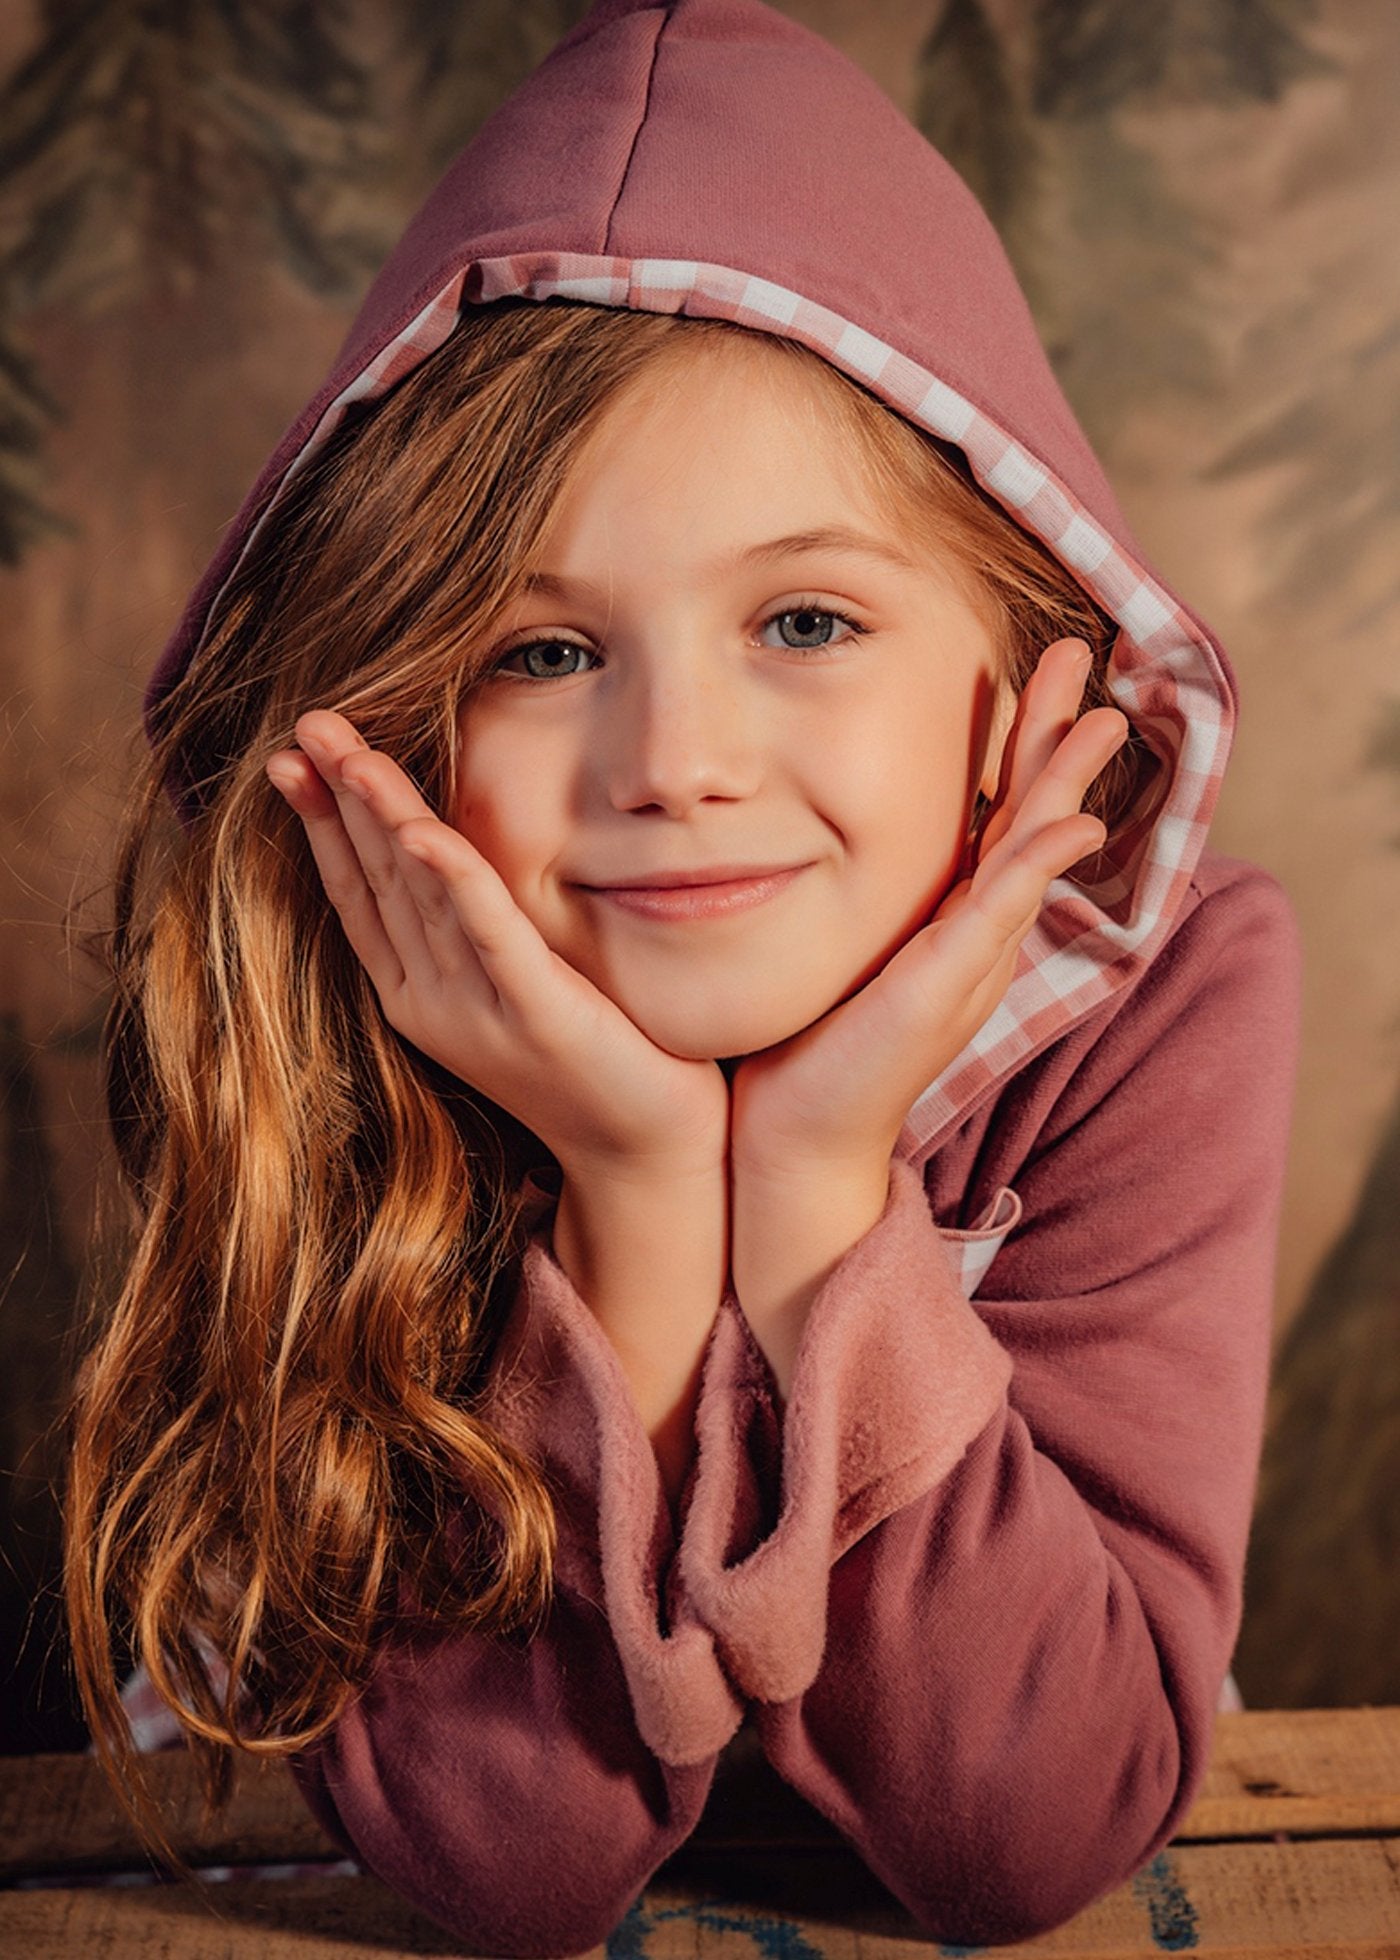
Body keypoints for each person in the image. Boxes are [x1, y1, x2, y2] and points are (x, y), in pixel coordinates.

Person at [62, 0, 1300, 1951]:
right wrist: (637, 1201)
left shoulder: (1166, 996)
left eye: (804, 615)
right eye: (542, 652)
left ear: (1030, 682)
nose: (676, 761)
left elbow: (1034, 1825)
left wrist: (815, 1198)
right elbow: (495, 1868)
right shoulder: (323, 1007)